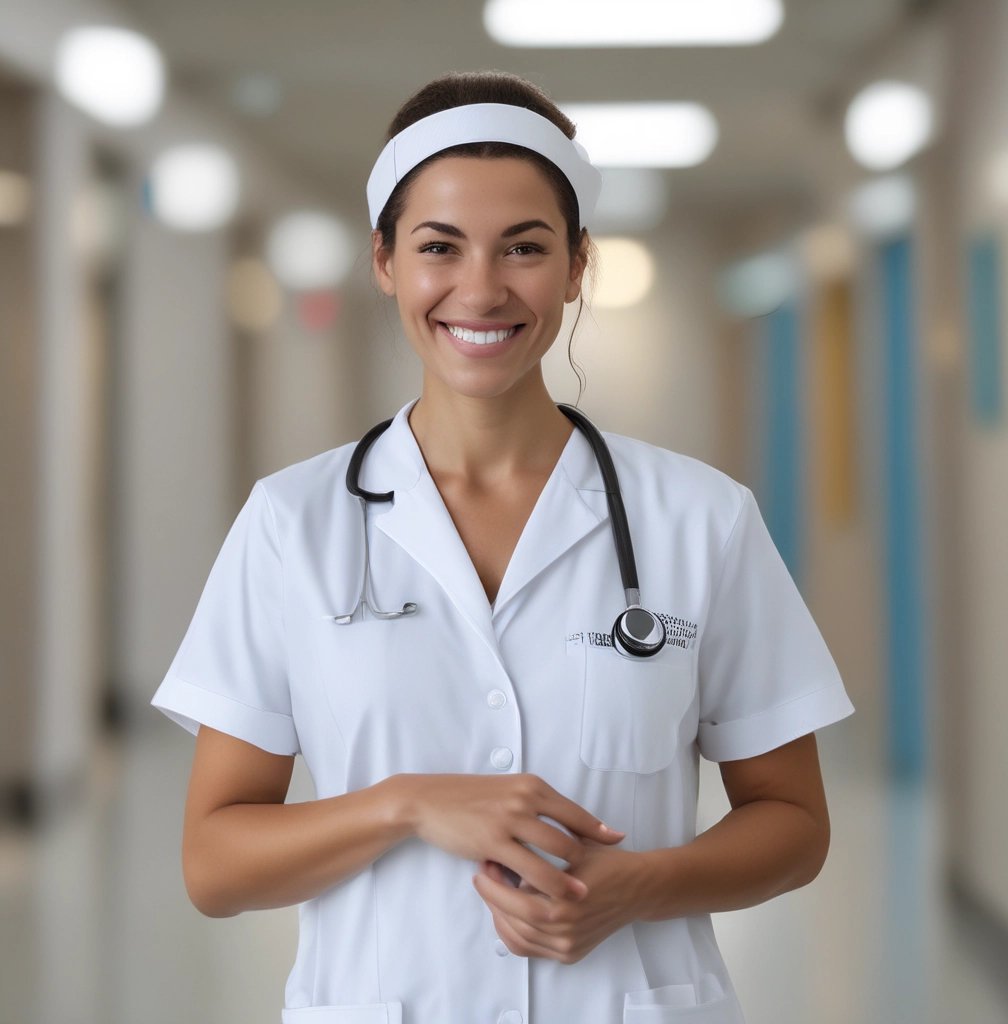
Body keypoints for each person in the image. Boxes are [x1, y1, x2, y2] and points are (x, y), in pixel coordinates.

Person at [152, 70, 854, 1024]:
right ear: (385, 261)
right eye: (439, 246)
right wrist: (403, 803)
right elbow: (214, 865)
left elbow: (795, 824)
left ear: (574, 267)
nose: (480, 288)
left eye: (524, 247)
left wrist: (639, 886)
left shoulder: (701, 518)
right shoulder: (292, 524)